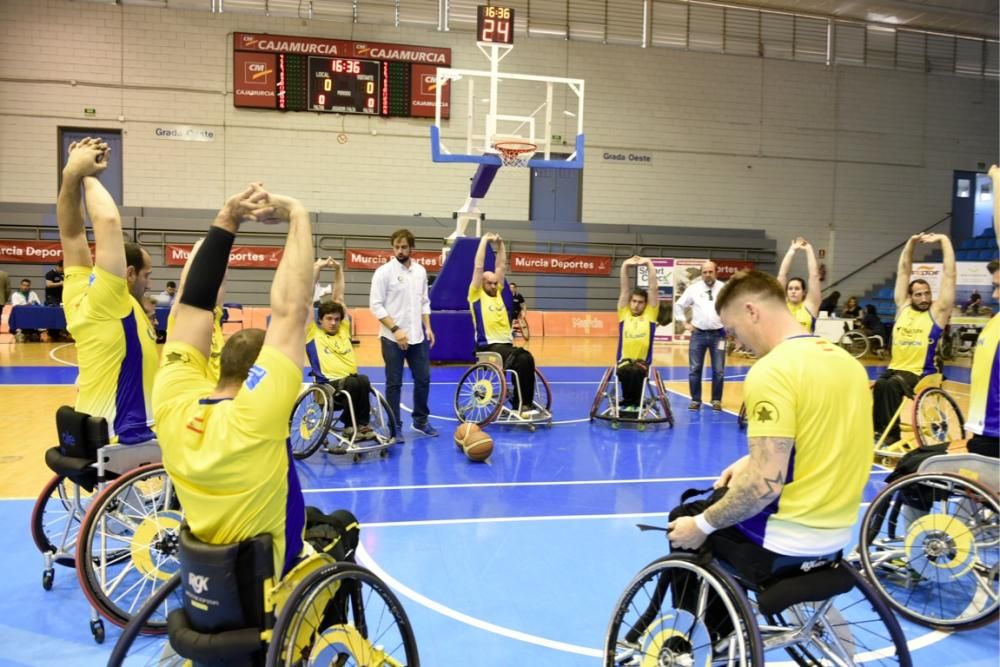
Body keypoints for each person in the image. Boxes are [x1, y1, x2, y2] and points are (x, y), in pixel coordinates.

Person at [666, 271, 872, 641]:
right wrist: (748, 460)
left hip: (784, 541)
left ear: (751, 311)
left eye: (732, 328)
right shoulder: (848, 364)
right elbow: (820, 440)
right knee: (726, 494)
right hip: (839, 533)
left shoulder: (772, 370)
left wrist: (702, 527)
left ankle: (717, 642)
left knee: (687, 516)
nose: (735, 340)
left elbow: (764, 486)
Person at [154, 184, 317, 579]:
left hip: (206, 568)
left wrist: (227, 219)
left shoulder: (171, 404)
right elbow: (292, 311)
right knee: (341, 526)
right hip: (271, 570)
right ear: (258, 374)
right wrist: (297, 213)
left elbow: (192, 305)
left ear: (221, 365)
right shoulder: (255, 416)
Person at [57, 138, 158, 444]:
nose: (150, 283)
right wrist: (88, 174)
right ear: (127, 274)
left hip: (90, 428)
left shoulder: (77, 290)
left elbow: (72, 233)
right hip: (126, 433)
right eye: (146, 274)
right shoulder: (111, 299)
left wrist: (70, 175)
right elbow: (108, 221)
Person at [874, 233, 956, 445]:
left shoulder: (937, 312)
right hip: (896, 367)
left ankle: (890, 438)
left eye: (927, 293)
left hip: (922, 372)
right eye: (918, 294)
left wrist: (944, 241)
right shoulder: (902, 308)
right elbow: (903, 271)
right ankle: (880, 432)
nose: (924, 298)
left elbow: (949, 275)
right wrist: (910, 243)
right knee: (881, 385)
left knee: (892, 385)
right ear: (910, 296)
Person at [369, 229, 437, 438]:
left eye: (404, 247)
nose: (400, 250)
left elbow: (424, 302)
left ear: (411, 248)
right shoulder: (383, 272)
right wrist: (396, 330)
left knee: (423, 379)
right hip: (392, 339)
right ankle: (394, 426)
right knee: (394, 384)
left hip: (418, 337)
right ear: (393, 248)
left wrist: (428, 327)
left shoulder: (420, 272)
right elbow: (376, 306)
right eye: (396, 247)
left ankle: (420, 421)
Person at [468, 233, 538, 415]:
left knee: (528, 358)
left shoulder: (498, 292)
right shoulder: (476, 295)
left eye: (494, 283)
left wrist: (500, 244)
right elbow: (478, 266)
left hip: (506, 345)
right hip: (488, 346)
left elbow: (501, 265)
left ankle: (523, 402)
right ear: (482, 283)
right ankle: (522, 405)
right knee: (522, 358)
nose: (493, 285)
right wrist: (484, 241)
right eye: (489, 283)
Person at [307, 257, 375, 441]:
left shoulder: (343, 329)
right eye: (329, 318)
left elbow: (339, 297)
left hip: (351, 382)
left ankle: (360, 425)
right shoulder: (313, 333)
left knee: (363, 379)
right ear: (321, 319)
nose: (333, 322)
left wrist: (338, 269)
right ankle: (350, 425)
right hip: (329, 387)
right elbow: (307, 299)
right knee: (354, 383)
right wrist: (317, 268)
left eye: (336, 319)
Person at [673, 261, 726, 411]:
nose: (707, 275)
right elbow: (678, 305)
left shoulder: (724, 288)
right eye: (704, 272)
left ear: (716, 272)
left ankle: (716, 400)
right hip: (698, 335)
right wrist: (684, 323)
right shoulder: (693, 289)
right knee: (695, 369)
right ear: (701, 274)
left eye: (710, 272)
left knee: (719, 370)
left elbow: (733, 307)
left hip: (719, 335)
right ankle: (695, 400)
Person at [615, 256, 659, 412]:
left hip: (642, 363)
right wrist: (625, 265)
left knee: (635, 371)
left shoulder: (650, 315)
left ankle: (633, 404)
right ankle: (629, 403)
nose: (636, 304)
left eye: (640, 302)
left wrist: (648, 263)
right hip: (623, 361)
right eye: (633, 301)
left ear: (645, 304)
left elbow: (653, 288)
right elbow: (625, 289)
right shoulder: (624, 314)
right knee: (627, 370)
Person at [777, 237, 822, 332]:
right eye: (790, 289)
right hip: (784, 346)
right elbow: (782, 275)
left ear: (804, 292)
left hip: (805, 346)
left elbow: (814, 276)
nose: (793, 291)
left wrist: (809, 250)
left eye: (797, 289)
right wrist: (792, 250)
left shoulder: (810, 306)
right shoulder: (782, 305)